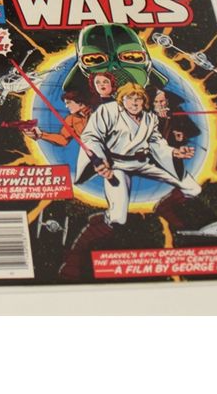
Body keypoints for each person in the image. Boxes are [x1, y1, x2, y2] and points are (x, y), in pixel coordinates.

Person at [59, 82, 200, 279]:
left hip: (143, 161)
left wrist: (175, 152)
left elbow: (156, 143)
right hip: (116, 165)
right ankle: (74, 258)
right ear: (121, 99)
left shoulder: (149, 117)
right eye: (129, 98)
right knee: (118, 218)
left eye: (138, 98)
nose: (134, 103)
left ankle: (164, 207)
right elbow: (92, 137)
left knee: (193, 188)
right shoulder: (108, 111)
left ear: (144, 100)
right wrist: (99, 161)